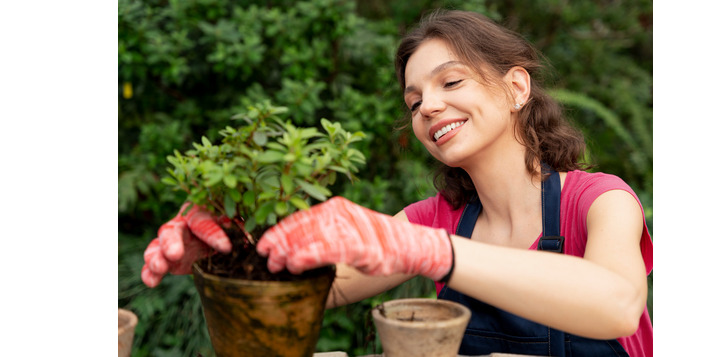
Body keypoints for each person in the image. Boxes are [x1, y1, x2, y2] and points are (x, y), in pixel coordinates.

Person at [141, 9, 653, 357]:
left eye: (451, 82)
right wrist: (221, 256)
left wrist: (430, 251)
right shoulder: (431, 219)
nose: (428, 106)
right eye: (414, 101)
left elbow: (617, 305)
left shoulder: (599, 200)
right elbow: (318, 287)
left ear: (516, 87)